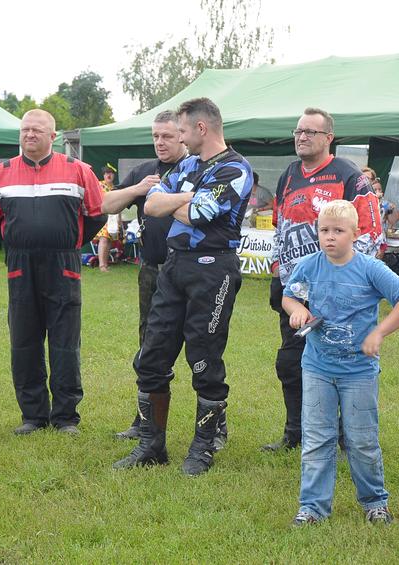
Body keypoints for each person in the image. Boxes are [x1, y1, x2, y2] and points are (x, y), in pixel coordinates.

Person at [112, 98, 252, 476]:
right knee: (152, 355)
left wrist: (179, 201)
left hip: (212, 270)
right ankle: (150, 445)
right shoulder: (188, 165)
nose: (180, 138)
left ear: (201, 129)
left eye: (184, 131)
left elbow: (198, 214)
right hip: (172, 268)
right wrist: (187, 196)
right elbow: (151, 206)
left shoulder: (236, 168)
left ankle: (203, 448)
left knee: (204, 359)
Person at [282, 200, 399, 526]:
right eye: (324, 230)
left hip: (358, 372)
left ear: (356, 234)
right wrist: (296, 310)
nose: (330, 237)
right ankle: (313, 508)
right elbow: (290, 295)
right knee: (317, 439)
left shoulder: (370, 268)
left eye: (338, 231)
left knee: (362, 441)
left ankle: (375, 503)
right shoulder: (308, 265)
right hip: (317, 367)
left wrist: (379, 332)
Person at [263, 107, 383, 453]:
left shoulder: (348, 176)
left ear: (329, 138)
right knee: (290, 361)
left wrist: (345, 278)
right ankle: (295, 431)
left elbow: (371, 233)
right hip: (295, 290)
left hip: (336, 292)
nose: (301, 137)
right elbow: (279, 226)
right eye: (298, 131)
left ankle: (345, 436)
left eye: (310, 132)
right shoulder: (288, 174)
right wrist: (278, 270)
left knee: (341, 363)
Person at [0, 109, 105, 435]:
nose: (29, 135)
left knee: (65, 341)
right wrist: (20, 239)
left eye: (37, 130)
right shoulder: (0, 174)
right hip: (20, 265)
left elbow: (95, 214)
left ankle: (65, 417)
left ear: (53, 136)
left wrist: (69, 241)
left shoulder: (78, 171)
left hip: (64, 264)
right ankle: (33, 415)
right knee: (24, 340)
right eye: (25, 130)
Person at [102, 110, 187, 441]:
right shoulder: (145, 172)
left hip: (192, 269)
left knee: (199, 347)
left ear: (182, 135)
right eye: (155, 136)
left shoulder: (197, 168)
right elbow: (106, 204)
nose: (160, 142)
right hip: (153, 270)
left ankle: (210, 428)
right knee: (148, 344)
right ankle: (144, 420)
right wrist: (138, 187)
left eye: (167, 136)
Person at [95, 165, 119, 272]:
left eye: (111, 173)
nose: (108, 175)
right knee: (104, 238)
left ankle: (105, 263)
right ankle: (102, 266)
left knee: (109, 240)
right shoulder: (98, 185)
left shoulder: (115, 188)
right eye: (106, 173)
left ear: (113, 175)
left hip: (113, 217)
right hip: (102, 215)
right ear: (103, 175)